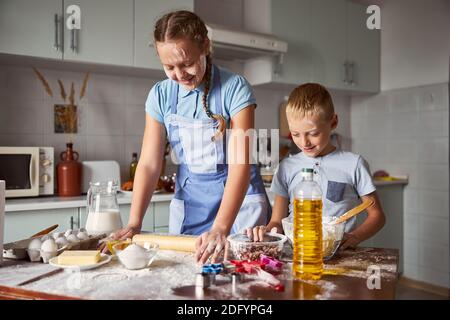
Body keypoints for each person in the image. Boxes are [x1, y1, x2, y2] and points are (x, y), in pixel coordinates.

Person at [111, 10, 271, 263]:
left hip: (239, 205)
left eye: (187, 64)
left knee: (242, 276)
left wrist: (221, 227)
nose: (180, 74)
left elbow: (240, 163)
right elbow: (150, 164)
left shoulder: (235, 88)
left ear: (205, 47)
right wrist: (134, 222)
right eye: (169, 67)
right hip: (191, 203)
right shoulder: (160, 96)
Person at [249, 83, 385, 251]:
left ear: (333, 122)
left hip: (341, 254)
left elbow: (377, 215)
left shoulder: (353, 164)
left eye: (313, 134)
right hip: (298, 253)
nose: (304, 142)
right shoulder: (286, 167)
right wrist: (267, 231)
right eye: (296, 134)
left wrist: (354, 237)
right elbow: (277, 222)